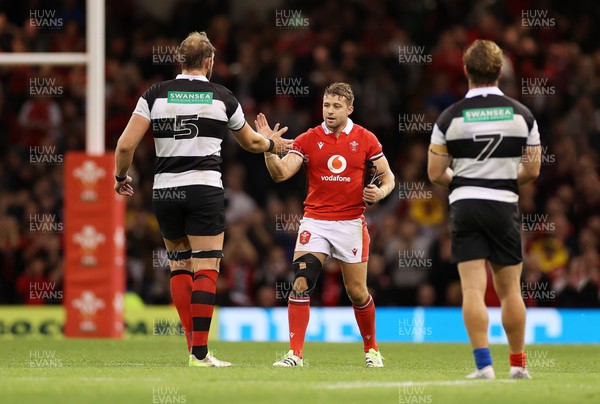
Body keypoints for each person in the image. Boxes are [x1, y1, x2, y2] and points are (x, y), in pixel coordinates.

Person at [113, 32, 291, 367]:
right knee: (206, 267)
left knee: (179, 266)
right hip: (204, 189)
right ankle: (200, 352)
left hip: (165, 191)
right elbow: (251, 143)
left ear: (179, 60)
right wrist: (273, 145)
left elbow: (124, 146)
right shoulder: (222, 97)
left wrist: (121, 178)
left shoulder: (154, 95)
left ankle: (192, 349)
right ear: (209, 63)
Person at [256, 82, 395, 367]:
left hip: (350, 224)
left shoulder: (366, 139)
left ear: (350, 109)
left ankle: (372, 350)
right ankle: (295, 354)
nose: (329, 111)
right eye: (326, 105)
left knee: (357, 292)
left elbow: (389, 178)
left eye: (336, 106)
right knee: (301, 282)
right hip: (315, 222)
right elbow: (281, 174)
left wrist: (379, 192)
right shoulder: (308, 139)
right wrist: (269, 149)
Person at [427, 39, 541, 379]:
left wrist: (463, 181)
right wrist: (504, 181)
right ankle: (518, 367)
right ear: (500, 71)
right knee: (510, 291)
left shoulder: (449, 117)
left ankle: (484, 367)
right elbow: (533, 170)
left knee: (473, 290)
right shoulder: (522, 115)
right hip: (504, 205)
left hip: (466, 206)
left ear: (465, 70)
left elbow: (435, 174)